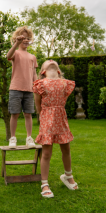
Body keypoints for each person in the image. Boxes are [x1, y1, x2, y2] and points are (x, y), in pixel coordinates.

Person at [33, 60, 78, 198]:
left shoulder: (65, 83)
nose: (51, 61)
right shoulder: (40, 84)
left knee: (66, 149)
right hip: (47, 120)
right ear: (43, 71)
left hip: (61, 120)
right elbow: (38, 106)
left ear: (59, 71)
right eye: (48, 62)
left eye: (54, 62)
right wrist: (44, 118)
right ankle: (44, 184)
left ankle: (68, 176)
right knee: (46, 153)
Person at [6, 26, 38, 148]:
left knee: (28, 114)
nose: (25, 40)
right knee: (14, 114)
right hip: (15, 88)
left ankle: (29, 138)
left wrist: (37, 85)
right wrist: (16, 44)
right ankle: (12, 138)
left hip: (29, 90)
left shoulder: (32, 57)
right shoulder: (16, 53)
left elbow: (34, 73)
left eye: (27, 38)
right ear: (17, 38)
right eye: (23, 37)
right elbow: (8, 56)